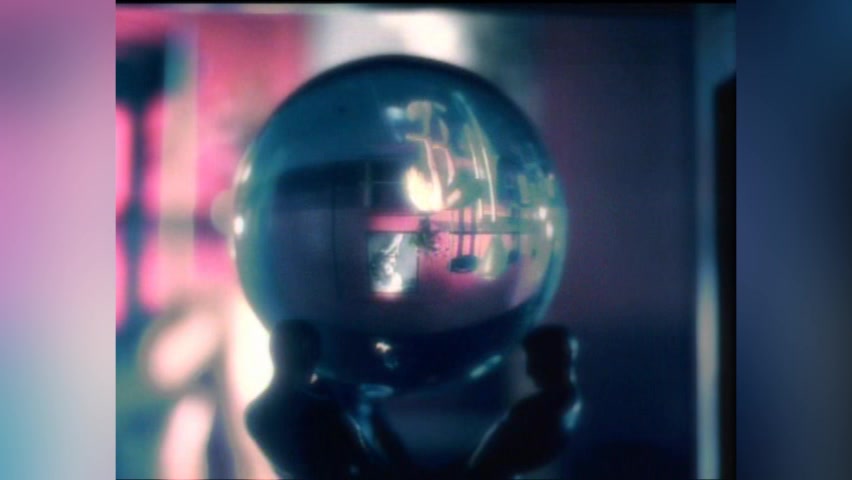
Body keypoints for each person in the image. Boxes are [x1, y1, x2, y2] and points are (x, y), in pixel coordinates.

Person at [245, 321, 389, 480]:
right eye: (316, 350)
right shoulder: (321, 410)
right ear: (311, 354)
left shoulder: (254, 414)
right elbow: (362, 463)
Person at [465, 325, 580, 479]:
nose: (530, 371)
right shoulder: (546, 408)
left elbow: (497, 458)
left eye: (534, 361)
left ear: (555, 361)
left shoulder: (543, 411)